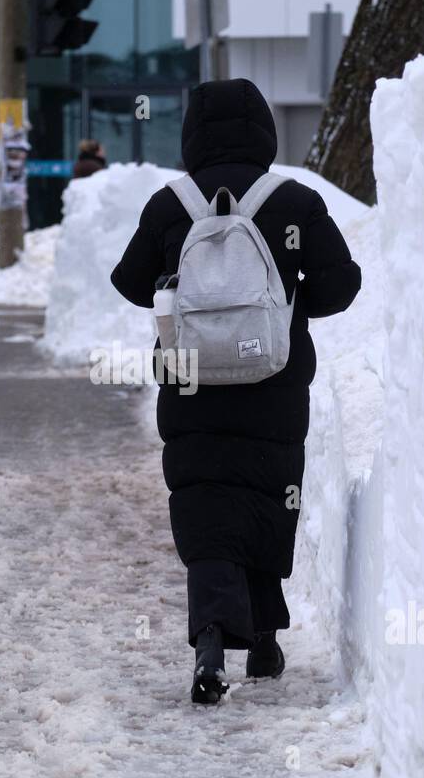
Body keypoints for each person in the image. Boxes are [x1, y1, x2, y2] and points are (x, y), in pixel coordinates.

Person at [110, 78, 361, 704]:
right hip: (273, 384)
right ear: (264, 131)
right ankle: (267, 638)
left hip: (192, 384)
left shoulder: (170, 205)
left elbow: (130, 281)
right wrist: (288, 301)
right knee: (266, 499)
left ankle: (211, 639)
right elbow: (341, 284)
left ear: (192, 135)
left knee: (207, 504)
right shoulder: (294, 202)